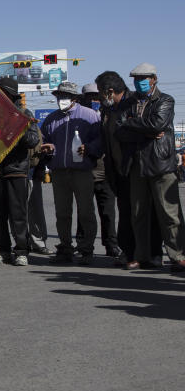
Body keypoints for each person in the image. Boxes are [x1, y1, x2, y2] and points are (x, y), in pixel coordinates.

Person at [114, 63, 185, 272]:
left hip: (161, 163)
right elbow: (119, 130)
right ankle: (141, 256)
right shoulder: (128, 103)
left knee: (169, 214)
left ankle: (178, 255)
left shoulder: (165, 100)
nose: (139, 82)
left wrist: (132, 124)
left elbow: (158, 124)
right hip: (136, 165)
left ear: (154, 79)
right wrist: (143, 130)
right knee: (138, 213)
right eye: (136, 78)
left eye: (144, 78)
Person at [95, 70, 163, 268]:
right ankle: (129, 251)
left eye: (100, 92)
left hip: (139, 167)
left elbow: (142, 130)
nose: (99, 96)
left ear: (110, 91)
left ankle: (153, 253)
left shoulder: (135, 102)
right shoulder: (107, 110)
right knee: (125, 213)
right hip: (118, 169)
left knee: (146, 212)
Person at [39, 82, 102, 264]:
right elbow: (44, 140)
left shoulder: (90, 116)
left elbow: (100, 141)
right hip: (59, 172)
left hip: (82, 172)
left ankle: (86, 250)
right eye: (59, 96)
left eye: (65, 96)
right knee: (62, 213)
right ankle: (65, 247)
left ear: (75, 98)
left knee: (86, 213)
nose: (61, 99)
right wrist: (47, 148)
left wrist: (89, 148)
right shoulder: (51, 119)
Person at [0, 78, 42, 265]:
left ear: (11, 95)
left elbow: (32, 140)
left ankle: (21, 251)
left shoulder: (24, 114)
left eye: (3, 93)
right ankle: (2, 250)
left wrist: (16, 126)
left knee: (18, 214)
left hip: (16, 171)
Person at [74, 83, 121, 260]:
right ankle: (83, 245)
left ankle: (111, 245)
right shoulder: (78, 119)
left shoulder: (108, 115)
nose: (94, 100)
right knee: (84, 212)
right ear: (82, 99)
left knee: (108, 212)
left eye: (97, 97)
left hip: (105, 171)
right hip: (84, 171)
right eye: (90, 97)